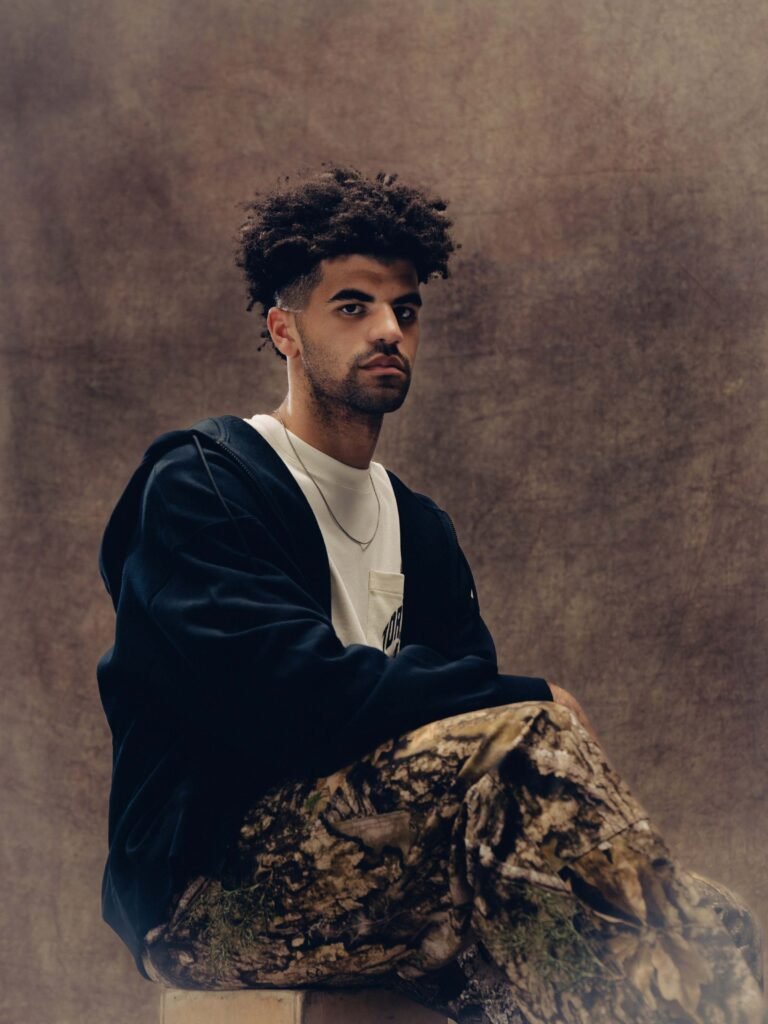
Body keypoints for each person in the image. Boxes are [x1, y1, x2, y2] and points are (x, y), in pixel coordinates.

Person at [97, 166, 762, 1024]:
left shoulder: (422, 529)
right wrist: (530, 697)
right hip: (211, 894)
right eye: (353, 307)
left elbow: (465, 752)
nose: (388, 330)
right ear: (284, 329)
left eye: (405, 311)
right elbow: (286, 700)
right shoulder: (205, 484)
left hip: (403, 871)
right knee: (532, 737)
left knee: (709, 922)